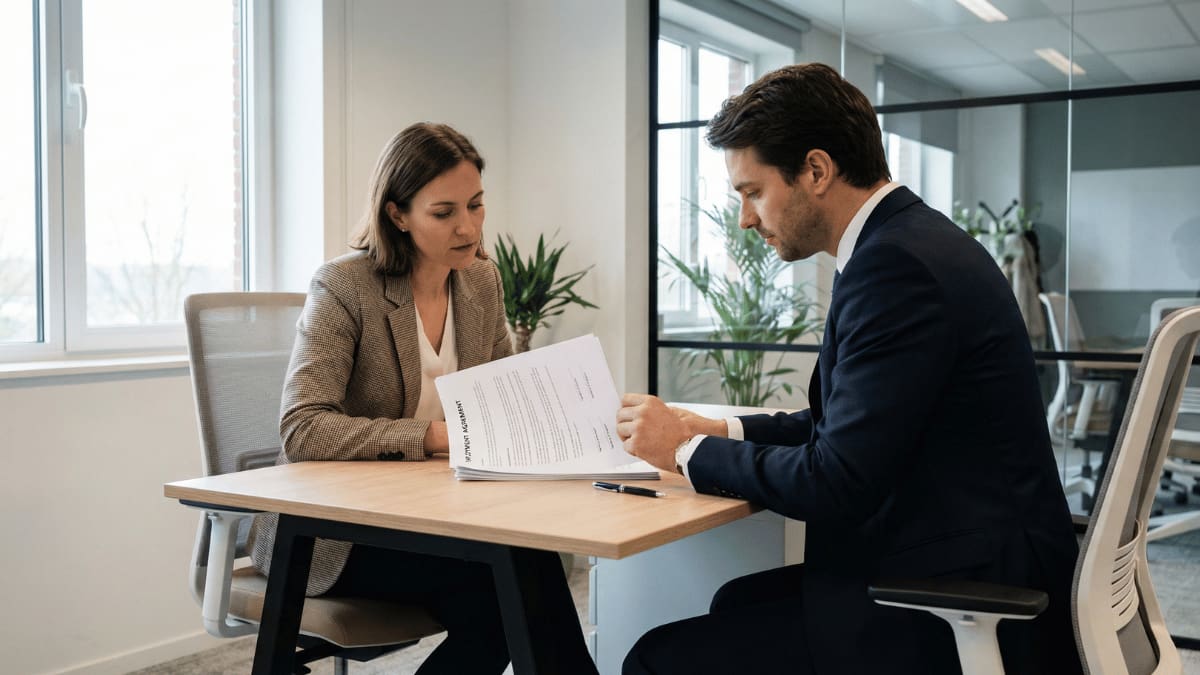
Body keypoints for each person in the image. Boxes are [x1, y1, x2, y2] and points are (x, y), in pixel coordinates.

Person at [617, 64, 1082, 674]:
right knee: (734, 600)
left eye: (752, 192)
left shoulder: (896, 270)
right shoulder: (911, 241)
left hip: (963, 596)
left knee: (655, 659)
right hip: (971, 556)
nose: (746, 220)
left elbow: (833, 481)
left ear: (815, 170)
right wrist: (718, 430)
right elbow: (855, 421)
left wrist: (682, 450)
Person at [248, 123, 591, 674]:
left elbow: (502, 398)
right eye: (444, 212)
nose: (469, 227)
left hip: (436, 514)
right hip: (338, 534)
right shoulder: (344, 286)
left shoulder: (481, 282)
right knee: (513, 583)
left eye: (476, 206)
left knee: (520, 581)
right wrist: (434, 436)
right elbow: (303, 428)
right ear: (397, 214)